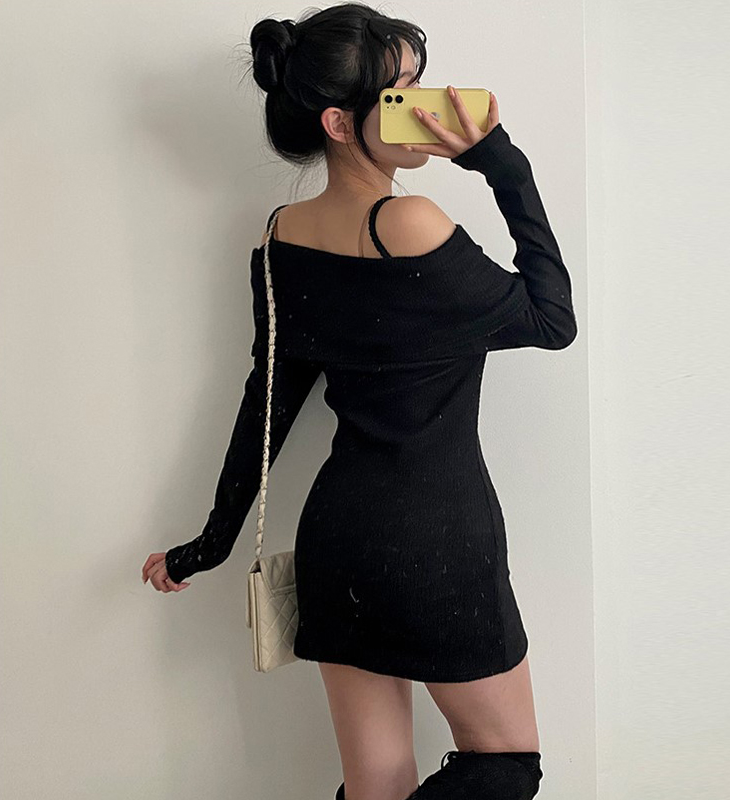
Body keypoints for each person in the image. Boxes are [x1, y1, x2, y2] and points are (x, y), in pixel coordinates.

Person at [142, 4, 576, 799]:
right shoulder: (410, 222)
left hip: (338, 538)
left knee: (376, 786)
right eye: (400, 93)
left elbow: (268, 400)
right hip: (439, 541)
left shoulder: (280, 236)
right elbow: (553, 321)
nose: (423, 108)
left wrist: (209, 542)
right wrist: (501, 164)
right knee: (505, 762)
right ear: (340, 124)